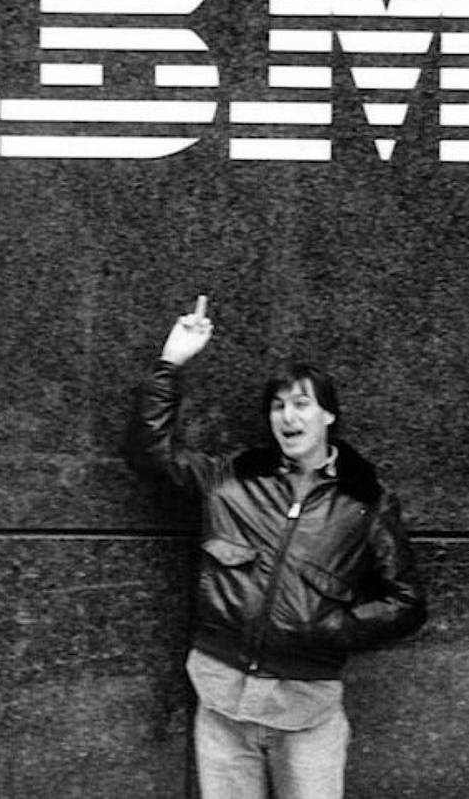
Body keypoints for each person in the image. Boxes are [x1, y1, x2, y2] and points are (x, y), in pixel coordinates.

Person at [125, 296, 427, 799]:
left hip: (307, 710)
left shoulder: (364, 502)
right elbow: (150, 453)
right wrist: (171, 361)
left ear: (328, 415)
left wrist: (334, 627)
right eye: (278, 405)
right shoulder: (231, 480)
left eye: (301, 404)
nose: (287, 416)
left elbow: (407, 602)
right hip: (221, 702)